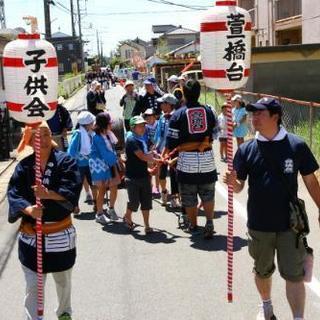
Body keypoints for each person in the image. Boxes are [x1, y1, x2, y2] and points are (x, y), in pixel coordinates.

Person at [223, 97, 320, 320]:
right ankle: (266, 306)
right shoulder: (247, 149)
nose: (253, 117)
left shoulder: (296, 145)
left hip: (290, 225)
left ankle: (298, 317)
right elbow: (239, 187)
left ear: (275, 116)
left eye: (259, 113)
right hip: (259, 224)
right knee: (262, 270)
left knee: (294, 275)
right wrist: (231, 182)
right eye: (252, 113)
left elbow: (311, 181)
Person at [7, 121, 82, 320]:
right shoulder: (24, 167)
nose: (44, 139)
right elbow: (14, 193)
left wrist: (47, 194)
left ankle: (64, 313)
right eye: (38, 136)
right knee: (33, 284)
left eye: (47, 134)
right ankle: (33, 317)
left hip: (59, 234)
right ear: (30, 141)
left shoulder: (66, 162)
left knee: (63, 280)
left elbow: (72, 188)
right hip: (32, 235)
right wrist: (29, 209)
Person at [166, 79, 218, 239]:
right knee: (208, 194)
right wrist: (201, 142)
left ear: (184, 94)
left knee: (189, 196)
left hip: (187, 161)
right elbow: (214, 134)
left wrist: (176, 152)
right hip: (207, 159)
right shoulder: (209, 111)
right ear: (199, 92)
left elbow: (171, 142)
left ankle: (194, 225)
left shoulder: (178, 114)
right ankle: (209, 222)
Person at [123, 115, 159, 234]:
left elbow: (145, 157)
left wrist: (149, 170)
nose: (142, 128)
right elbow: (142, 157)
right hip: (132, 177)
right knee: (134, 203)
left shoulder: (141, 139)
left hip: (144, 175)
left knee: (146, 202)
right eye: (139, 126)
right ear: (133, 128)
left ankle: (147, 225)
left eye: (143, 125)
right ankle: (127, 216)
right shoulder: (131, 140)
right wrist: (157, 160)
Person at [89, 113, 118, 224]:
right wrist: (117, 159)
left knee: (114, 186)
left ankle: (111, 209)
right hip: (99, 166)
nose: (111, 125)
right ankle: (99, 214)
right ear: (104, 124)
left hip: (109, 164)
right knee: (102, 189)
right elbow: (105, 153)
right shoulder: (97, 138)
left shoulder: (108, 134)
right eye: (109, 123)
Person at [68, 111, 97, 213]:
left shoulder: (91, 134)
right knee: (77, 187)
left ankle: (96, 203)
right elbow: (71, 152)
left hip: (91, 164)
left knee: (94, 184)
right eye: (92, 123)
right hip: (79, 165)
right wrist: (72, 164)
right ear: (87, 124)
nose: (93, 124)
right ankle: (75, 206)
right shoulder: (78, 134)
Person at [154, 94, 178, 207]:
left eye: (162, 103)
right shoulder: (162, 117)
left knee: (174, 175)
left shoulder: (177, 117)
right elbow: (158, 134)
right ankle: (164, 191)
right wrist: (155, 146)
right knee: (162, 174)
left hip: (173, 150)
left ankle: (175, 197)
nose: (160, 105)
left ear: (169, 104)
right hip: (161, 150)